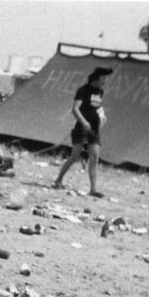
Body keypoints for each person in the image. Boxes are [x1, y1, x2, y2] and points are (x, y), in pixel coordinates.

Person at [53, 66, 113, 198]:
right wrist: (84, 122)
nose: (105, 82)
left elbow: (96, 107)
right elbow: (75, 109)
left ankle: (93, 189)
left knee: (95, 157)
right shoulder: (83, 90)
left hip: (94, 129)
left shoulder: (100, 92)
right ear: (96, 79)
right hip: (81, 128)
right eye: (103, 79)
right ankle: (59, 180)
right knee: (75, 156)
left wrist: (102, 115)